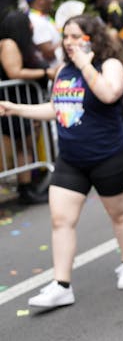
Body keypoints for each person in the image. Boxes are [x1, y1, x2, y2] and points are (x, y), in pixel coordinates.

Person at [0, 14, 123, 308]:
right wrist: (16, 108)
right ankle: (61, 284)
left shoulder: (109, 65)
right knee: (60, 220)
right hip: (71, 159)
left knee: (119, 214)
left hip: (107, 156)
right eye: (67, 36)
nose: (70, 42)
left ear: (93, 38)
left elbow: (108, 93)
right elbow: (57, 108)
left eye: (77, 36)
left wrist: (85, 64)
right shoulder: (63, 69)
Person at [0, 11, 55, 204]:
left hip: (22, 100)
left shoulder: (20, 45)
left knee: (26, 146)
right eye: (28, 24)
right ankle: (25, 189)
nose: (32, 27)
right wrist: (45, 72)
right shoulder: (9, 44)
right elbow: (14, 71)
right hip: (14, 101)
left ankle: (28, 188)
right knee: (20, 147)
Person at [22, 0, 61, 66]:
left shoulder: (42, 17)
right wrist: (68, 38)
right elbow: (48, 53)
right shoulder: (36, 21)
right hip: (52, 73)